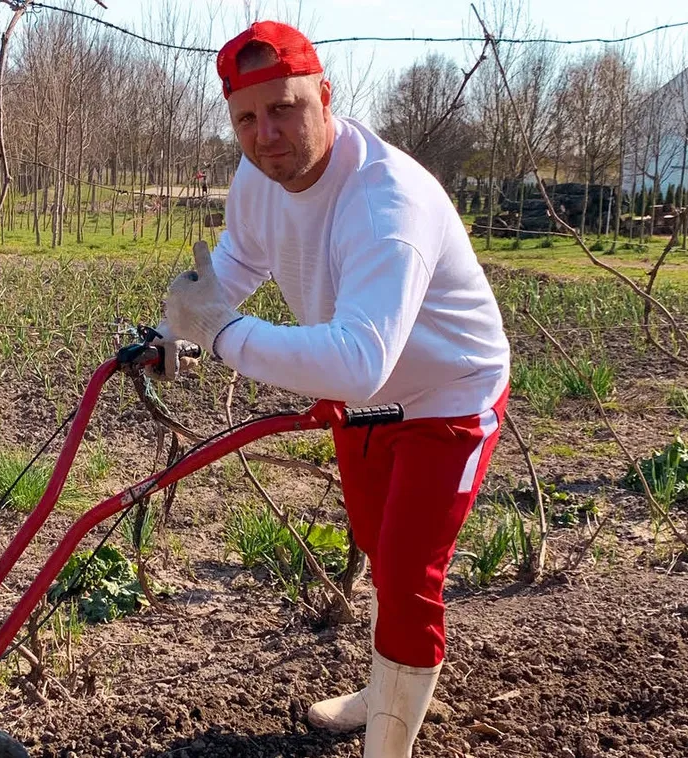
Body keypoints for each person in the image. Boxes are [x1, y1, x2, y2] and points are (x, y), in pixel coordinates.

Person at [148, 19, 511, 758]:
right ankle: (387, 691)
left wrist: (219, 334)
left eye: (283, 108)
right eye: (246, 118)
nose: (266, 132)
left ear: (324, 96)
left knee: (409, 576)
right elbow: (237, 266)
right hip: (367, 398)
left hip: (447, 396)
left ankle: (389, 745)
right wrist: (177, 330)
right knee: (379, 547)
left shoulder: (386, 203)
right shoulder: (259, 178)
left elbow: (357, 361)